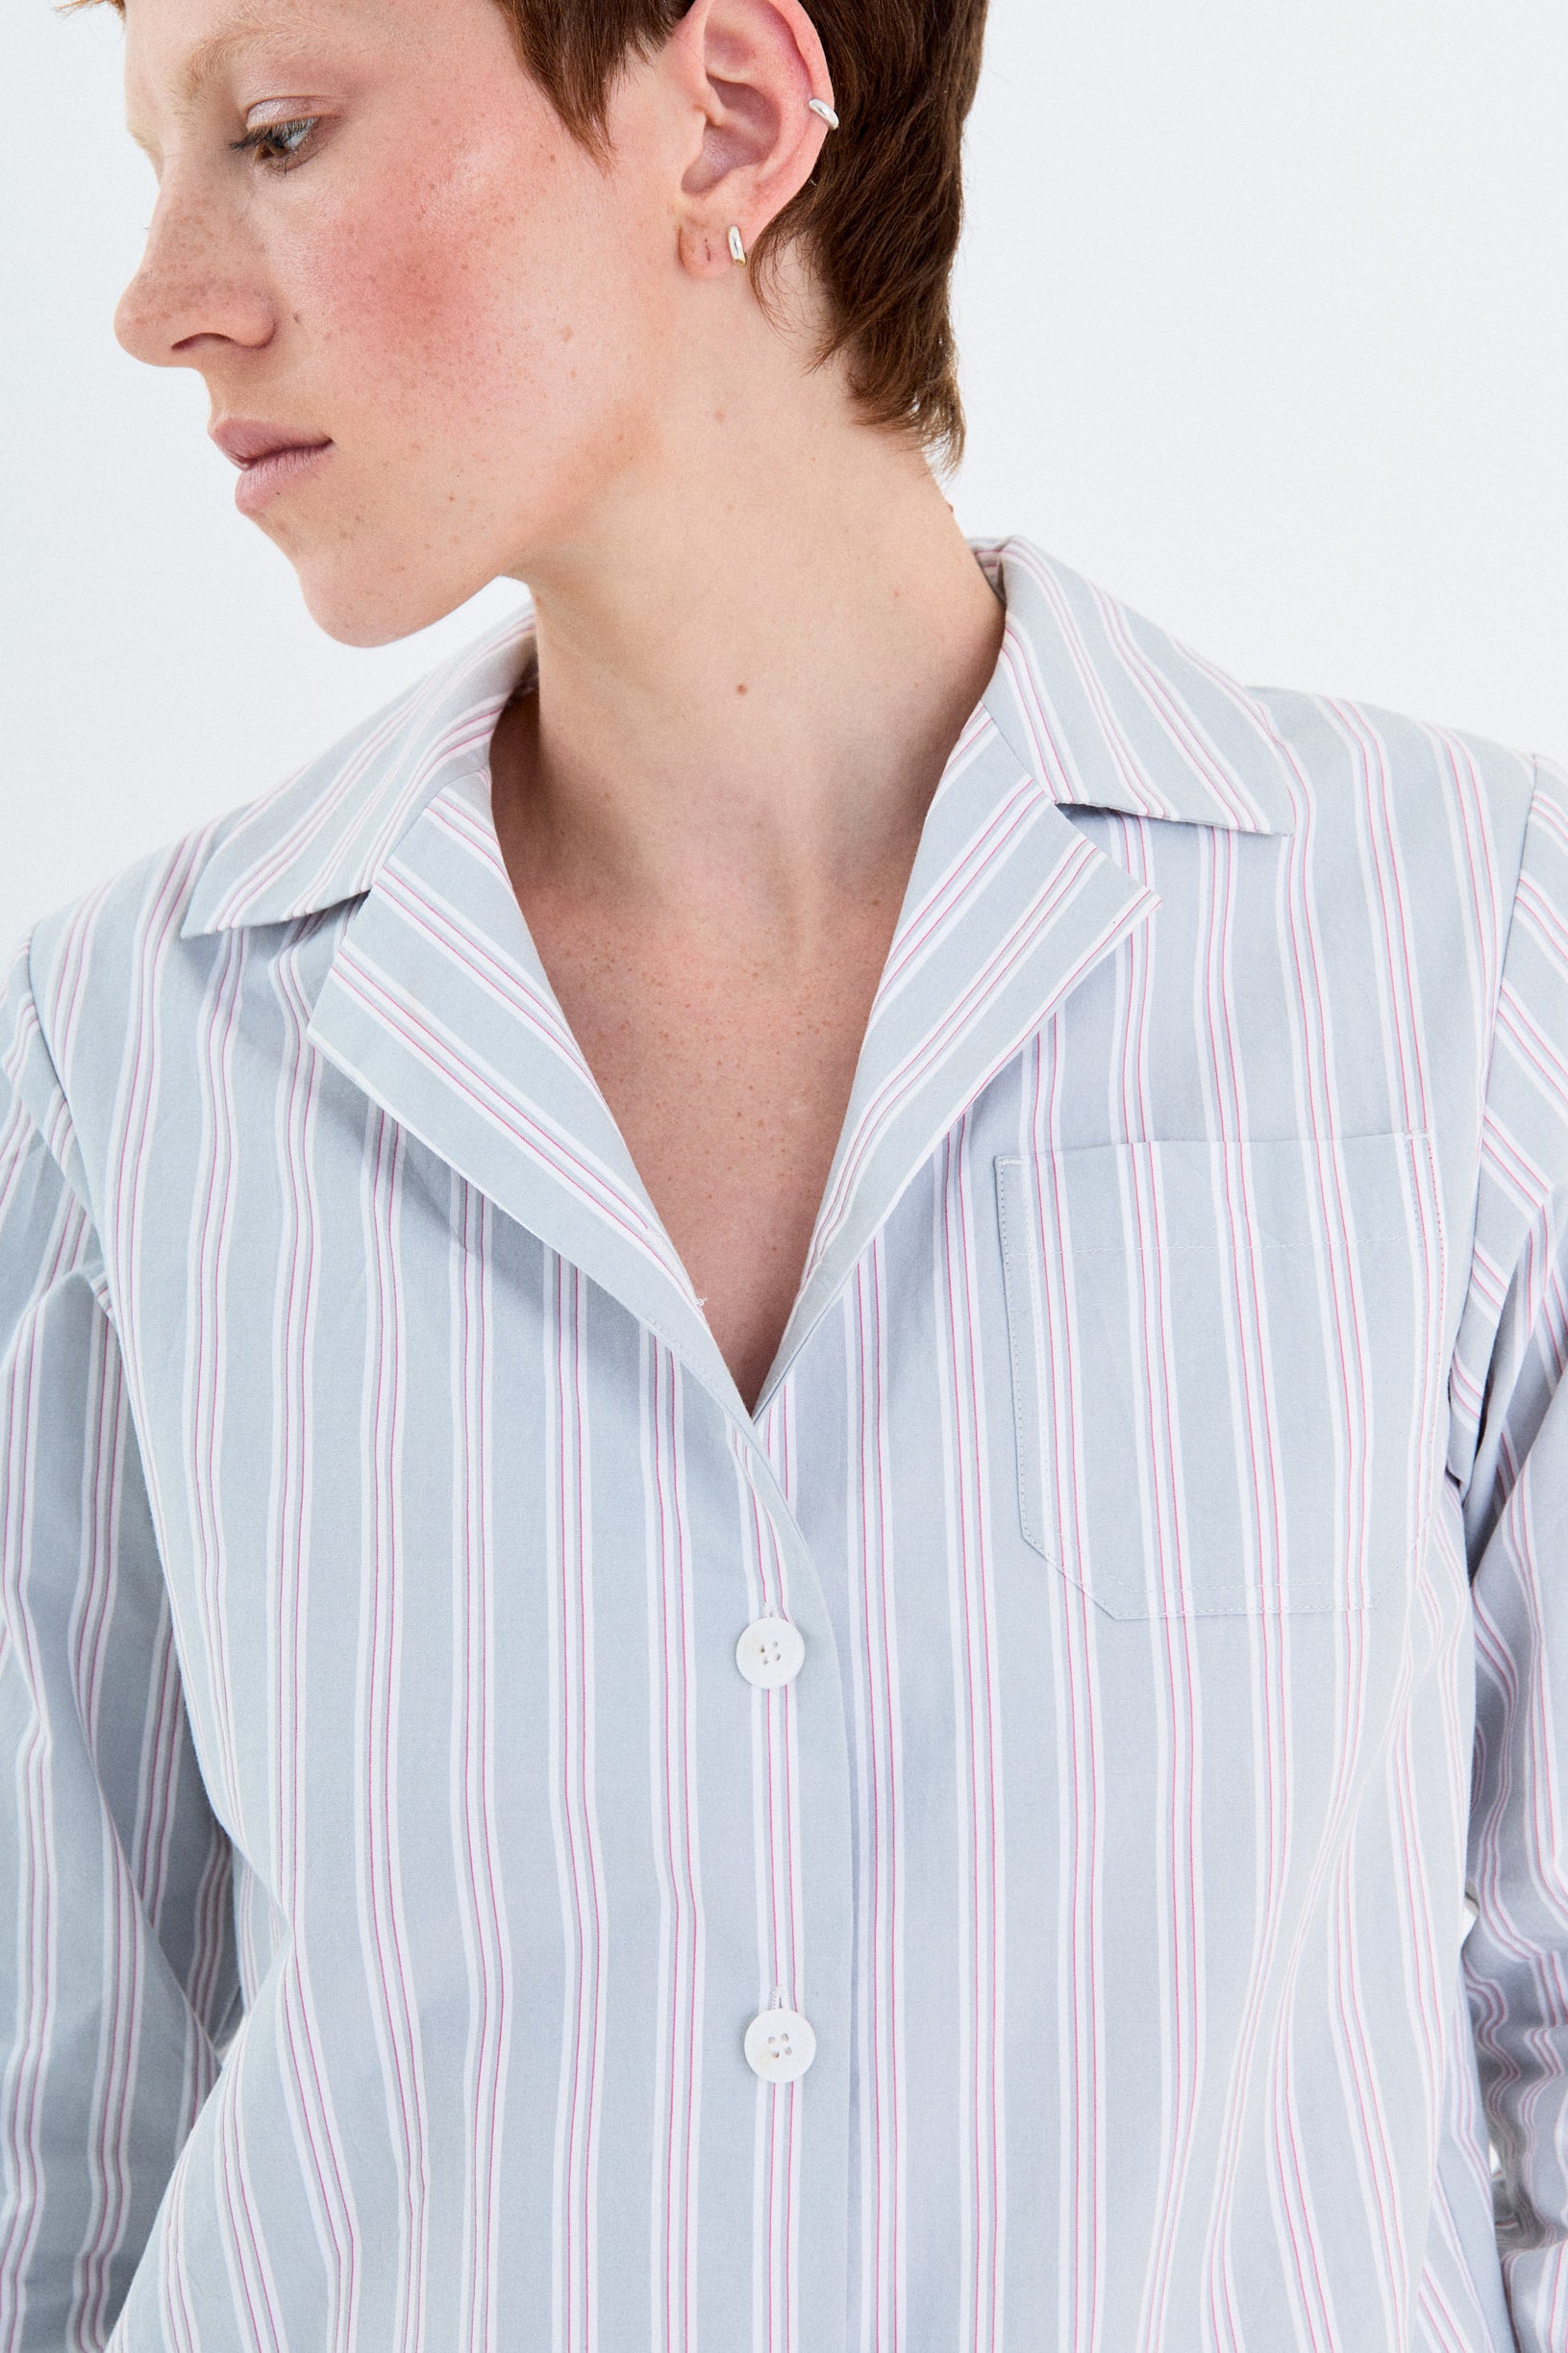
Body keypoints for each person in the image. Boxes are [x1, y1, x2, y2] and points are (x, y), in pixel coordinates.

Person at [3, 0, 1566, 2342]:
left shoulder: (1461, 947)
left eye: (280, 129)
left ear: (726, 113)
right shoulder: (136, 1038)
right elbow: (65, 2136)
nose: (159, 301)